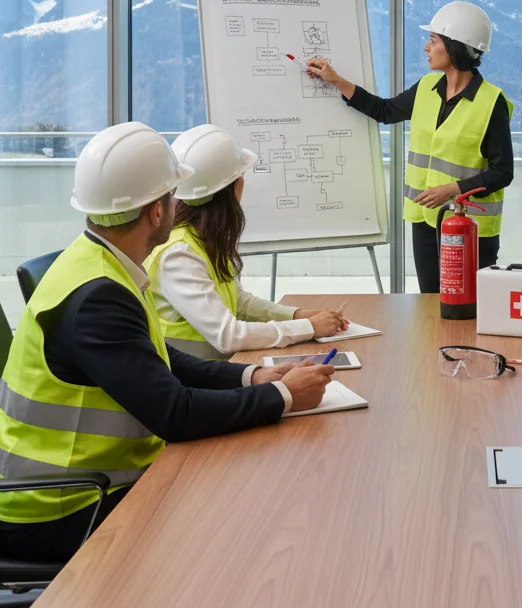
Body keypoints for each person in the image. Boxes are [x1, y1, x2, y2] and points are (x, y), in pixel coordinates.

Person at [0, 123, 334, 562]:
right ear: (157, 212)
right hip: (60, 506)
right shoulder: (98, 297)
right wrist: (283, 397)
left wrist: (252, 376)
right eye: (173, 196)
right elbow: (174, 414)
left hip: (85, 484)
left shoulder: (98, 263)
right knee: (239, 519)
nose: (180, 205)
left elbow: (160, 358)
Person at [307, 1, 513, 294]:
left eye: (433, 41)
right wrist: (336, 80)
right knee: (431, 303)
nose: (426, 48)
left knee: (471, 308)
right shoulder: (427, 87)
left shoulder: (492, 104)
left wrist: (453, 189)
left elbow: (502, 172)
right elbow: (385, 111)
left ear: (454, 47)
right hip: (425, 222)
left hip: (472, 228)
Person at [146, 124, 348, 359]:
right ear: (236, 186)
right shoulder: (179, 254)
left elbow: (239, 303)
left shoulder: (202, 237)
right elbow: (228, 335)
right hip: (195, 380)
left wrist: (298, 315)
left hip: (216, 368)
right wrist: (308, 328)